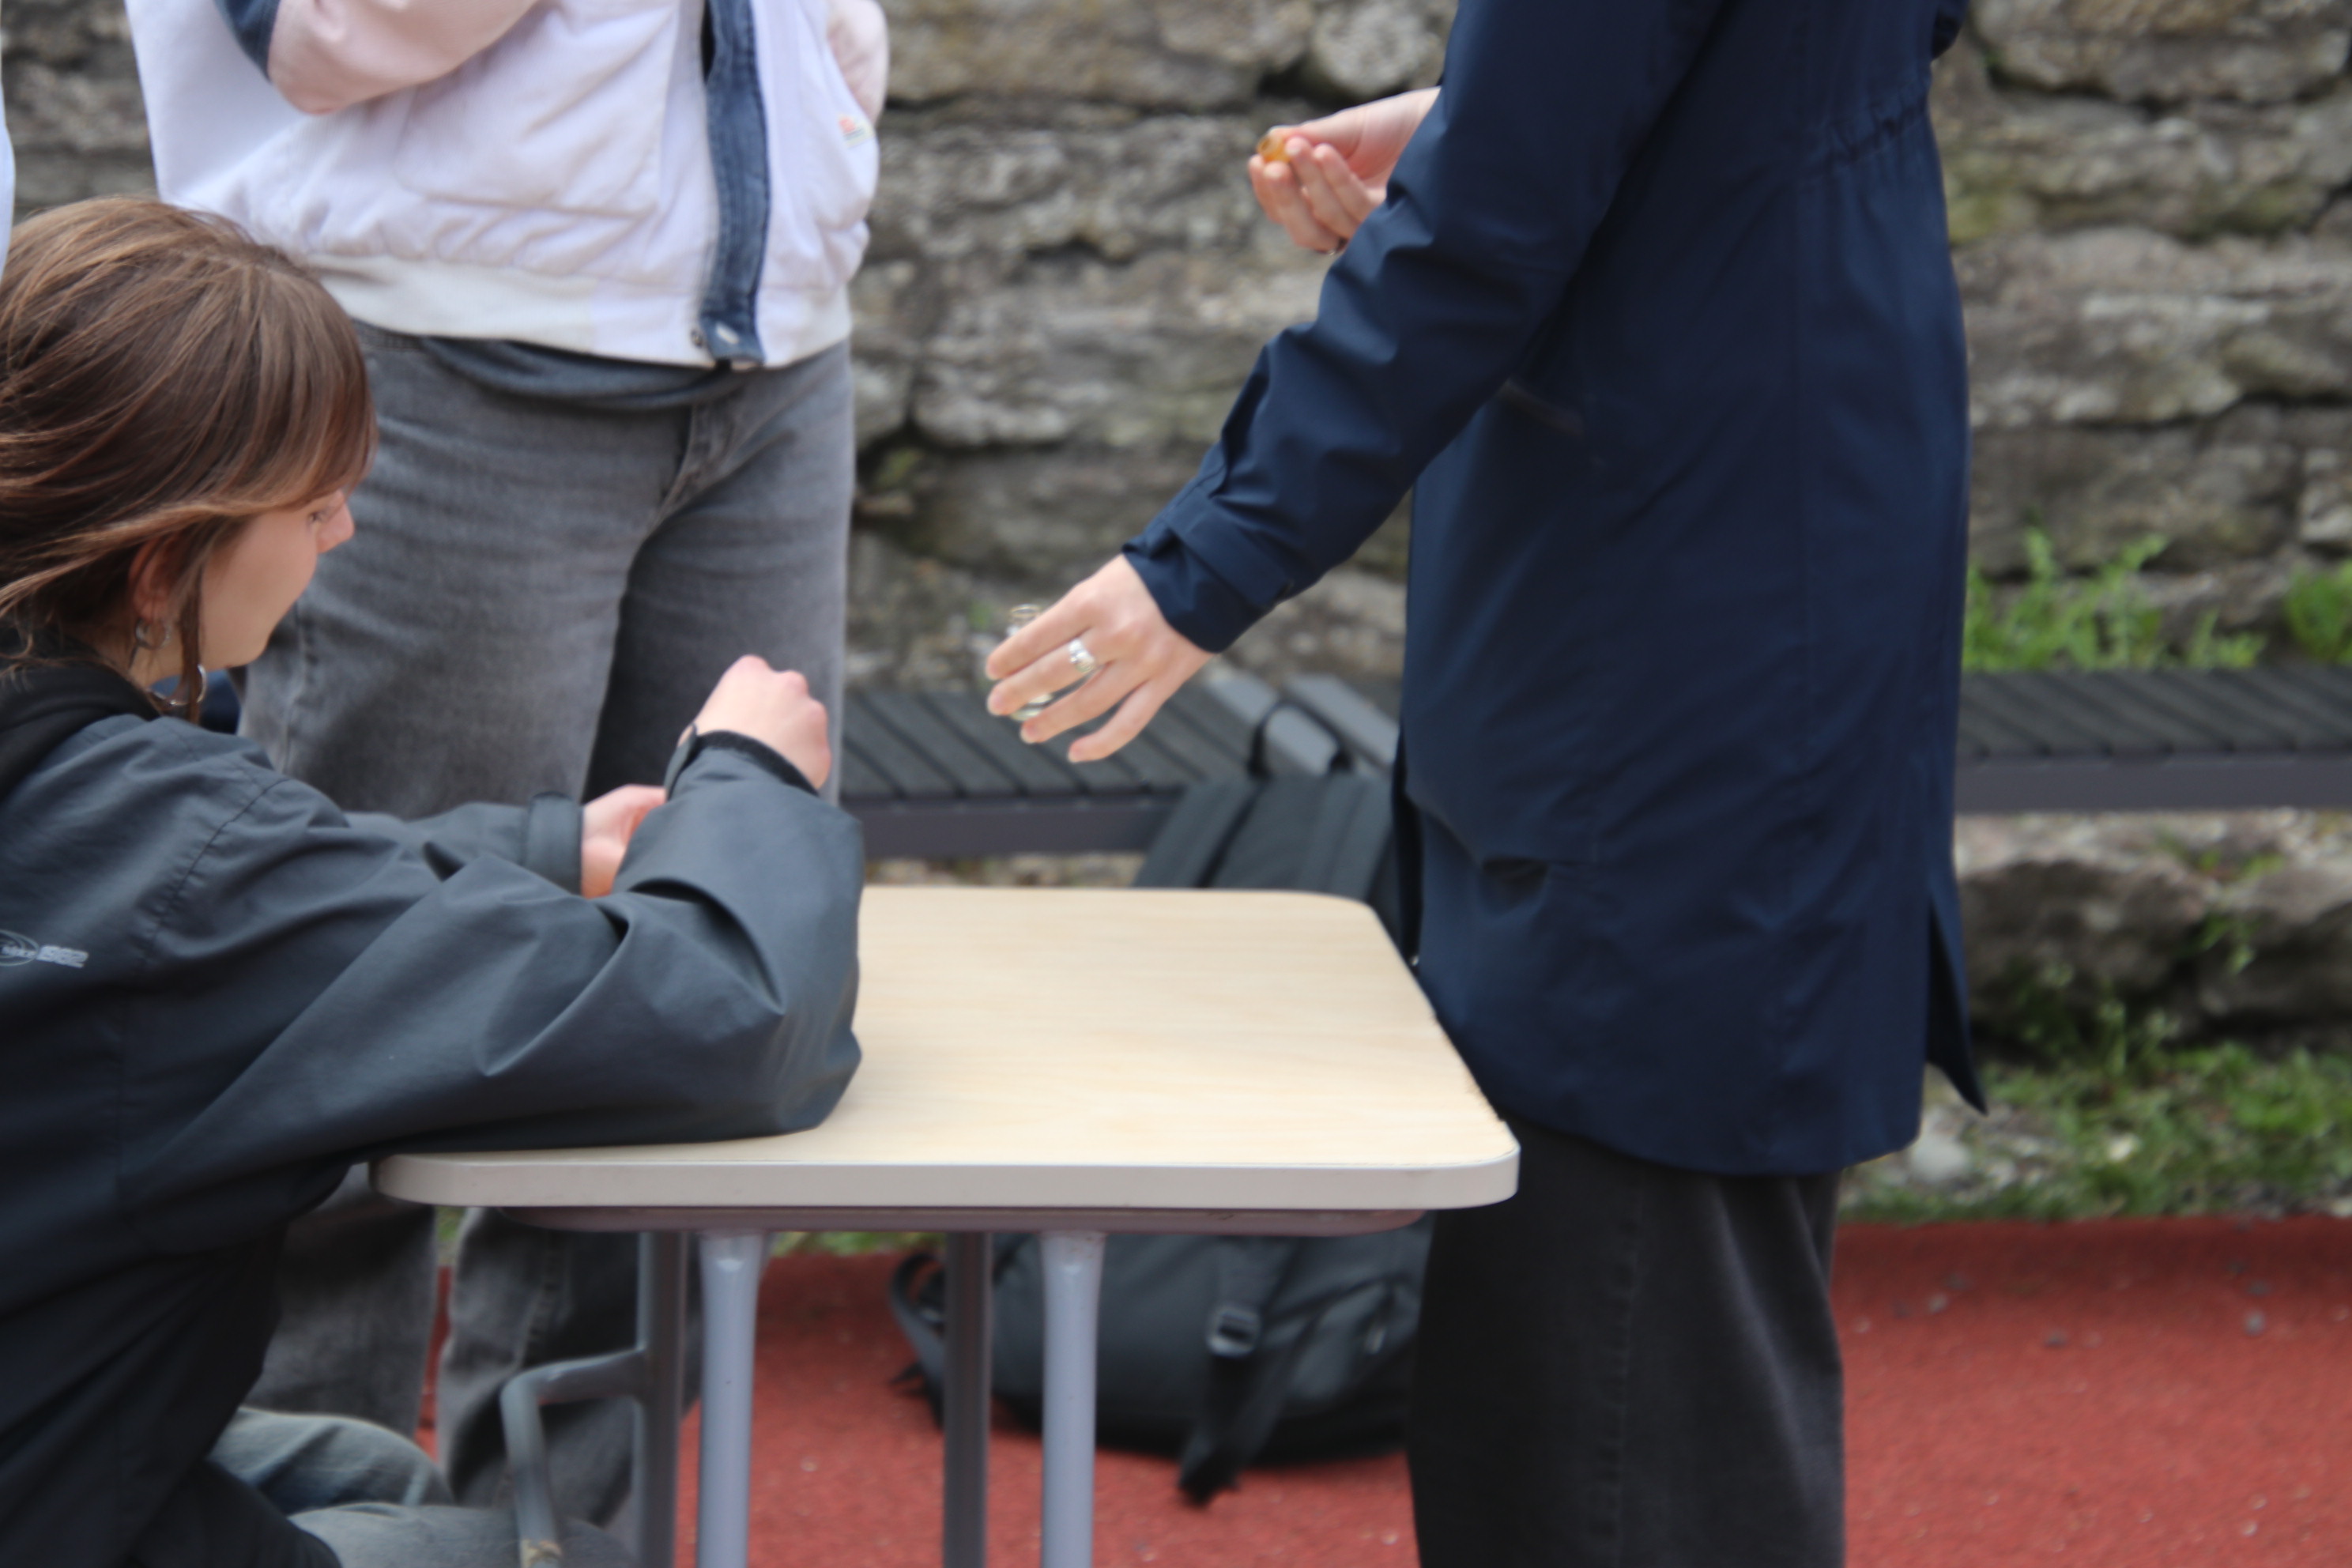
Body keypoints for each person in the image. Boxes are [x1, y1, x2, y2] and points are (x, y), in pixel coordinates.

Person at [988, 2, 1983, 1563]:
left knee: (1613, 1346)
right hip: (1778, 500)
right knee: (1679, 1324)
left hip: (1673, 589)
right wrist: (1490, 106)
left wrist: (1204, 556)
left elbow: (1481, 234)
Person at [0, 198, 863, 1568]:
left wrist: (533, 853)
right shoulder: (189, 863)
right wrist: (751, 780)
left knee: (360, 1466)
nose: (344, 533)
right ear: (164, 562)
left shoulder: (111, 810)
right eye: (313, 503)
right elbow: (731, 1016)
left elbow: (199, 904)